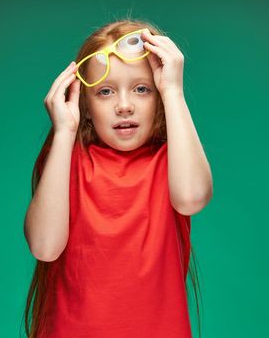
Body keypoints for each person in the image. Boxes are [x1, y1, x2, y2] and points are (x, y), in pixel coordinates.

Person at [22, 19, 213, 338]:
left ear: (158, 96)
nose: (124, 106)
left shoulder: (171, 162)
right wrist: (64, 131)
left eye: (142, 89)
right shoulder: (68, 161)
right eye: (105, 92)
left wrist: (173, 91)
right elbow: (44, 246)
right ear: (84, 102)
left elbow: (193, 196)